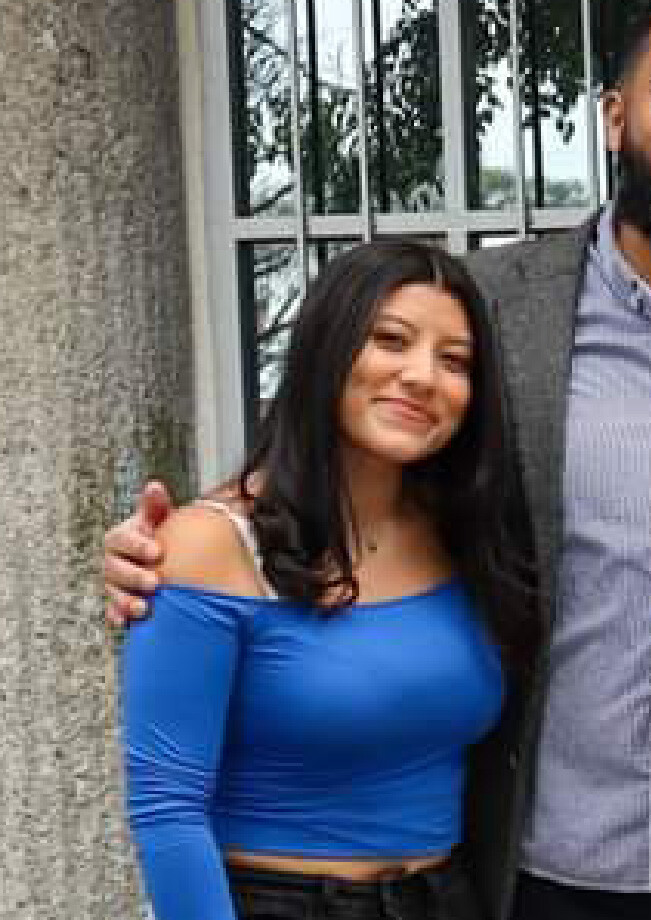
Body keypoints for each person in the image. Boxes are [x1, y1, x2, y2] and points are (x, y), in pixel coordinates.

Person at [107, 0, 651, 920]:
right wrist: (179, 549)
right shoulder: (489, 313)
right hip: (545, 870)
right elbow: (355, 475)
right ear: (617, 117)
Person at [123, 239, 536, 920]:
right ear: (327, 349)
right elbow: (168, 811)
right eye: (390, 340)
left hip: (447, 896)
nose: (422, 376)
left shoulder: (465, 539)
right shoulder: (208, 546)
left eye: (455, 361)